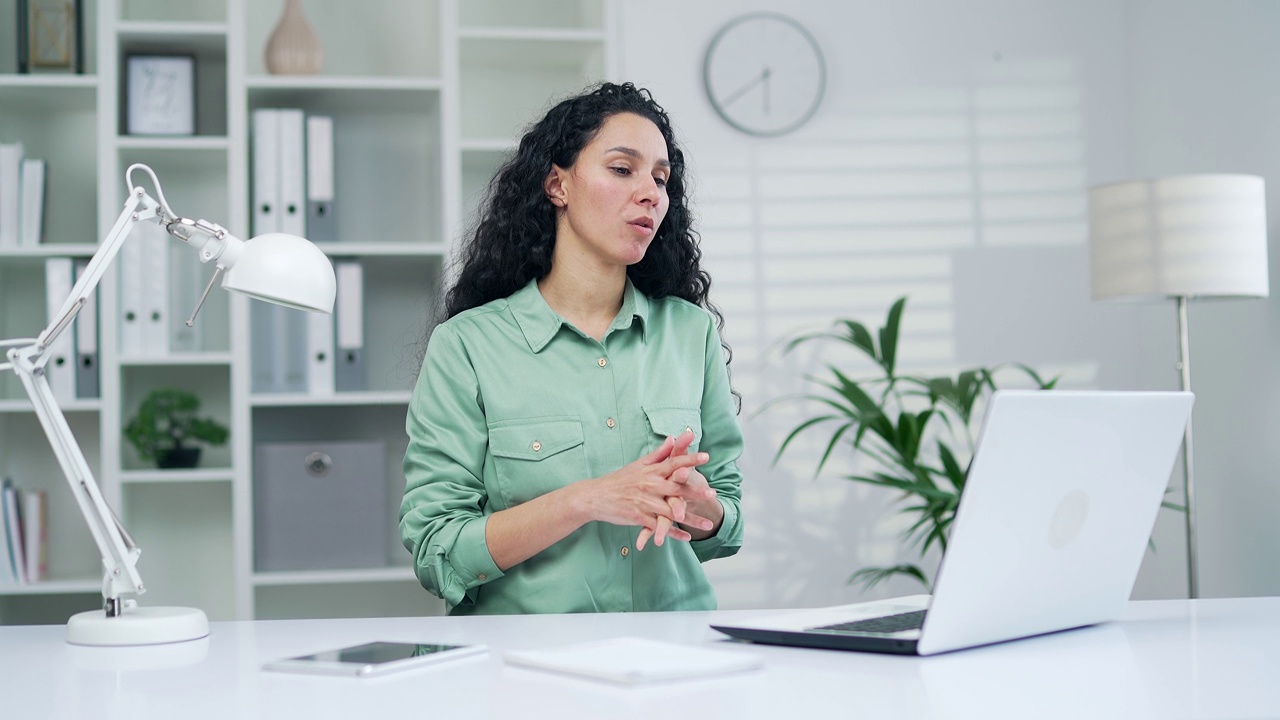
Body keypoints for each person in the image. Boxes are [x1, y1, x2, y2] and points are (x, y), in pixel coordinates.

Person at [399, 82, 744, 615]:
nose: (651, 193)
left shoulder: (689, 333)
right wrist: (587, 500)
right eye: (622, 169)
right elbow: (437, 551)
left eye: (660, 178)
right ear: (557, 185)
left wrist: (706, 509)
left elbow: (726, 524)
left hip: (673, 651)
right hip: (524, 667)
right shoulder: (466, 346)